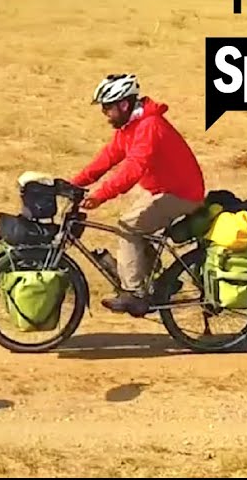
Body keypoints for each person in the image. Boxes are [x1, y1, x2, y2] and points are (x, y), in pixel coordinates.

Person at [70, 74, 206, 317]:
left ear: (124, 104)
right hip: (162, 190)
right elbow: (108, 157)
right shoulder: (130, 126)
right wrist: (74, 184)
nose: (105, 114)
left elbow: (134, 169)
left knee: (128, 227)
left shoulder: (149, 127)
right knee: (135, 227)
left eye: (107, 108)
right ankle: (158, 282)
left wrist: (101, 195)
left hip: (182, 194)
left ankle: (134, 293)